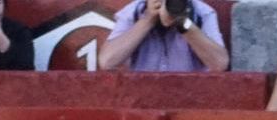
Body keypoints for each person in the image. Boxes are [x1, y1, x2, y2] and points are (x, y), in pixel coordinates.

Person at [97, 0, 229, 73]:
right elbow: (107, 61)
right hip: (144, 96)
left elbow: (219, 64)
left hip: (190, 96)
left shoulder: (202, 12)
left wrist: (183, 23)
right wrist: (148, 19)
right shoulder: (133, 12)